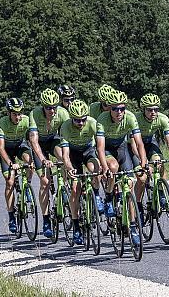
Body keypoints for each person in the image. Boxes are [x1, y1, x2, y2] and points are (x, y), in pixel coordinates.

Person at [95, 90, 148, 247]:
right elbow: (100, 147)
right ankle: (109, 197)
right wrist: (104, 167)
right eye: (115, 109)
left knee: (129, 185)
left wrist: (143, 162)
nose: (119, 112)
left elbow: (139, 143)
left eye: (122, 108)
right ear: (109, 108)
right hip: (107, 150)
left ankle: (132, 227)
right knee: (113, 167)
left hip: (121, 147)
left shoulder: (130, 118)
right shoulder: (102, 119)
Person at [59, 99, 102, 245]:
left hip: (88, 150)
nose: (81, 123)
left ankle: (96, 195)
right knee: (75, 188)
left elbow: (101, 146)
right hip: (73, 154)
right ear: (71, 118)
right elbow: (65, 155)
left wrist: (102, 164)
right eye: (77, 120)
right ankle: (76, 225)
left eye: (83, 119)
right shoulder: (65, 127)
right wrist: (69, 168)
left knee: (95, 170)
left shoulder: (92, 122)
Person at [28, 88, 69, 239]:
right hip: (39, 146)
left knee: (63, 156)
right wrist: (44, 159)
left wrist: (66, 160)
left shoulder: (63, 114)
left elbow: (67, 136)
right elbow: (33, 140)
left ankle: (65, 185)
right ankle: (46, 220)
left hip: (53, 141)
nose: (52, 110)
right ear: (43, 107)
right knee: (45, 182)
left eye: (54, 107)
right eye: (48, 107)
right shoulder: (35, 114)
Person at [0, 97, 41, 234]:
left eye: (20, 113)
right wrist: (10, 163)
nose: (18, 116)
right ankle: (11, 217)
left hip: (20, 146)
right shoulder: (3, 123)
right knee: (10, 182)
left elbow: (33, 138)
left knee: (29, 162)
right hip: (7, 151)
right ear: (9, 113)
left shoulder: (26, 120)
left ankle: (27, 186)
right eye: (15, 114)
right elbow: (1, 148)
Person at [135, 93, 169, 211]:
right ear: (143, 109)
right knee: (142, 178)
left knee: (159, 163)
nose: (153, 112)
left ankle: (161, 193)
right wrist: (142, 160)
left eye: (156, 109)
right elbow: (134, 144)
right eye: (149, 110)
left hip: (150, 142)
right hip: (134, 145)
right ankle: (138, 204)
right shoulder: (136, 119)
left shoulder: (163, 119)